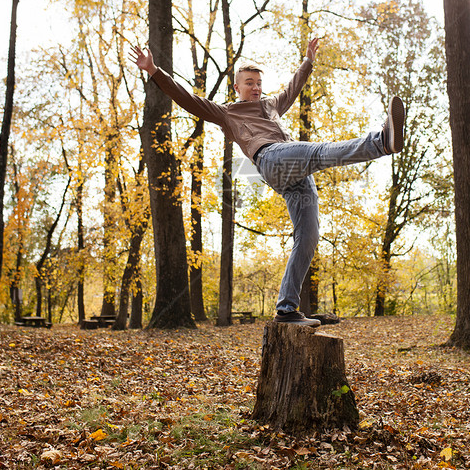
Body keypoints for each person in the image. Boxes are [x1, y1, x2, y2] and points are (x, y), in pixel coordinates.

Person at [130, 38, 405, 327]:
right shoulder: (227, 112)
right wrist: (154, 70)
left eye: (259, 82)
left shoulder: (272, 105)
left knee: (308, 237)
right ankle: (381, 141)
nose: (256, 87)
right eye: (249, 83)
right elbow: (188, 99)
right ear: (236, 87)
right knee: (320, 152)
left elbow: (292, 88)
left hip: (294, 175)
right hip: (271, 159)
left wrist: (308, 61)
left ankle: (286, 310)